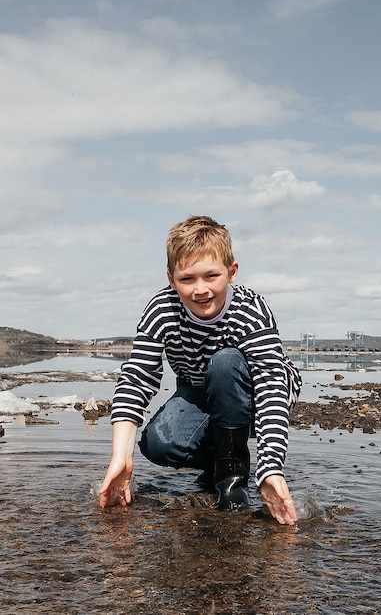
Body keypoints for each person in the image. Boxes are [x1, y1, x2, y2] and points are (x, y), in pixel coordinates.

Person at [99, 215, 302, 524]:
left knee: (225, 363)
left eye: (211, 276)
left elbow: (271, 387)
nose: (201, 290)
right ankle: (219, 461)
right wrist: (120, 458)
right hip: (200, 390)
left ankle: (232, 479)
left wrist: (271, 467)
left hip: (257, 391)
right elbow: (137, 379)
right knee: (158, 443)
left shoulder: (250, 311)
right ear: (171, 278)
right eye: (188, 279)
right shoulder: (161, 310)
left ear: (232, 271)